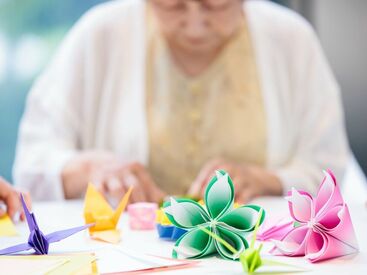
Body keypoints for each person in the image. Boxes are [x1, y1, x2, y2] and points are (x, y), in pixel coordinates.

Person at [13, 0, 350, 203]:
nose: (194, 25)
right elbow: (31, 163)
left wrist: (266, 180)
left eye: (214, 5)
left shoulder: (292, 40)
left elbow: (329, 166)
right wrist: (86, 169)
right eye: (171, 5)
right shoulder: (98, 35)